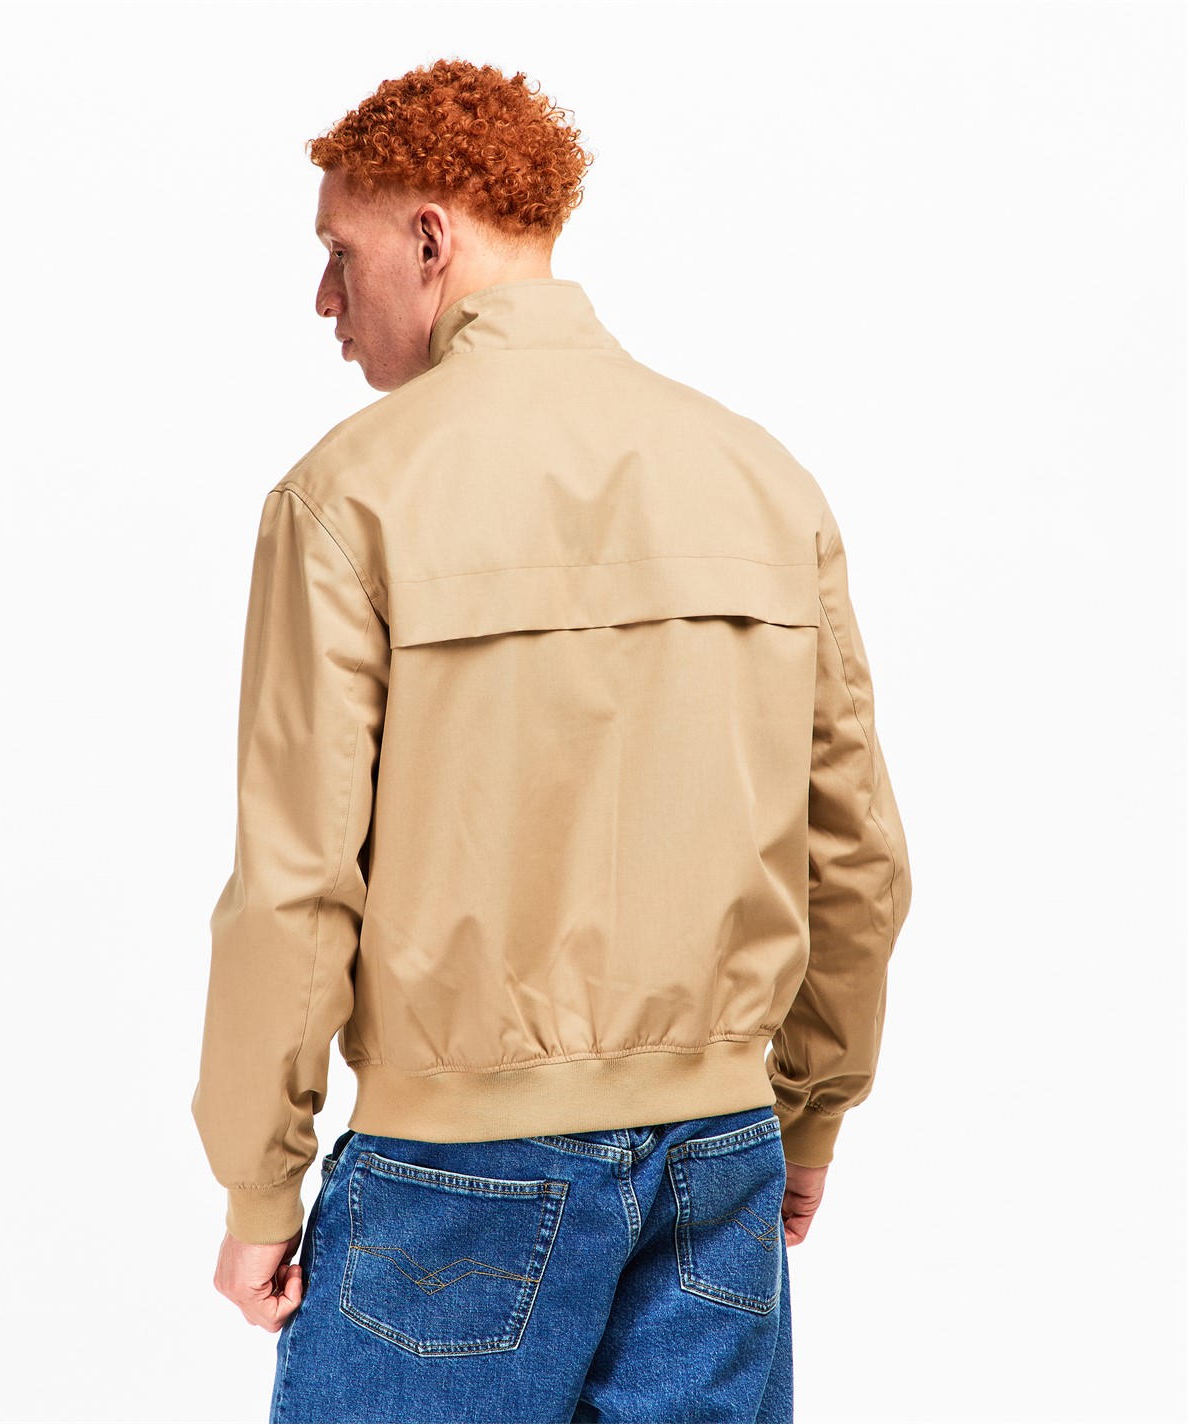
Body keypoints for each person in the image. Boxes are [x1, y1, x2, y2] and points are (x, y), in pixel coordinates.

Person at [190, 57, 913, 1425]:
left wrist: (257, 1184)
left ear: (429, 239)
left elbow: (295, 886)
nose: (325, 302)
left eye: (340, 255)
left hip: (452, 1172)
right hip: (719, 1158)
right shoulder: (762, 479)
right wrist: (808, 1107)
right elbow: (859, 857)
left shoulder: (349, 496)